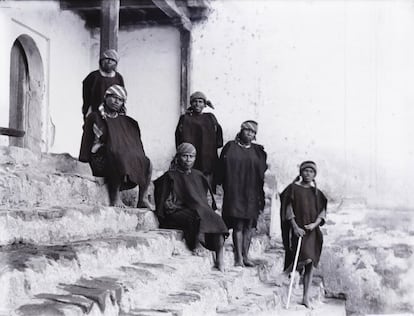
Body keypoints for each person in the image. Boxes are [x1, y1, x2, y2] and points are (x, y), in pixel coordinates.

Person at [153, 143, 228, 272]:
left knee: (216, 218)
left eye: (191, 156)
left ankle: (220, 257)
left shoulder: (198, 175)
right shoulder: (170, 176)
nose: (188, 160)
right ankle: (196, 244)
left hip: (198, 210)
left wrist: (205, 208)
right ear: (178, 157)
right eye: (185, 156)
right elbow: (165, 203)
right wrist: (180, 204)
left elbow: (206, 198)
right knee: (195, 216)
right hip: (176, 212)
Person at [79, 84, 152, 208]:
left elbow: (134, 144)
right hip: (100, 159)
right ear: (106, 97)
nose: (116, 101)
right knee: (117, 154)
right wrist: (84, 160)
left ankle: (142, 198)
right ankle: (115, 197)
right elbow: (87, 139)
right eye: (113, 97)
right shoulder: (96, 117)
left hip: (120, 157)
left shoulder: (127, 122)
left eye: (120, 100)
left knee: (147, 162)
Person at [216, 120, 267, 267]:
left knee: (249, 225)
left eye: (252, 132)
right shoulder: (230, 147)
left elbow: (261, 170)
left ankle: (246, 256)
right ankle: (238, 257)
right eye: (247, 131)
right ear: (241, 131)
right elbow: (221, 167)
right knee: (238, 224)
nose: (249, 134)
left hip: (252, 191)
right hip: (235, 190)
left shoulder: (258, 151)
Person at [280, 161, 327, 308]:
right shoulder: (293, 189)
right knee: (305, 257)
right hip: (298, 230)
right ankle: (286, 272)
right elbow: (288, 210)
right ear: (301, 172)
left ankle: (305, 297)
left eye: (311, 172)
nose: (308, 174)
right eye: (305, 171)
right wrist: (294, 227)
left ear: (314, 175)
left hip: (313, 232)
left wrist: (314, 224)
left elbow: (322, 212)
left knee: (310, 263)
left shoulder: (317, 193)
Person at [175, 91, 223, 189]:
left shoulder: (210, 117)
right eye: (195, 101)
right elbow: (178, 136)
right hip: (191, 157)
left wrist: (212, 146)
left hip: (207, 156)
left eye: (200, 102)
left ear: (205, 104)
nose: (197, 104)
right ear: (191, 103)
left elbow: (218, 132)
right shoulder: (185, 118)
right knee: (191, 184)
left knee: (207, 185)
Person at [82, 49, 125, 119]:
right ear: (101, 61)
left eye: (112, 60)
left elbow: (122, 96)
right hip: (96, 111)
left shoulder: (118, 78)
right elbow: (86, 96)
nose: (109, 62)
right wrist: (88, 110)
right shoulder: (93, 76)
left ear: (116, 63)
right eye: (106, 59)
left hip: (113, 113)